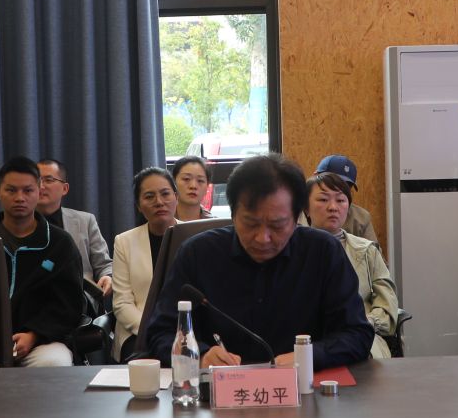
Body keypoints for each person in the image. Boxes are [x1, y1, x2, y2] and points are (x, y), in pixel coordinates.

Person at [143, 153, 373, 370]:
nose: (263, 238)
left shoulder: (323, 252)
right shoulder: (197, 254)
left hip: (305, 390)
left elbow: (357, 334)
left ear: (297, 217)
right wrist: (200, 355)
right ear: (233, 215)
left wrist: (309, 355)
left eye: (277, 225)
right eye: (250, 223)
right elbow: (160, 334)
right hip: (218, 391)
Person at [0, 156, 90, 367]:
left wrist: (34, 335)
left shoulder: (60, 244)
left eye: (28, 190)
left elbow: (69, 305)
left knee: (54, 362)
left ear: (39, 191)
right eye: (11, 190)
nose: (19, 198)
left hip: (41, 341)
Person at [306, 168, 398, 358]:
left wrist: (363, 324)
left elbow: (387, 307)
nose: (333, 207)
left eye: (341, 200)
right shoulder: (292, 249)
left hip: (361, 339)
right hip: (307, 341)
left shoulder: (367, 251)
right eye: (323, 200)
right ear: (305, 207)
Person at [109, 167, 177, 360]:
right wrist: (153, 330)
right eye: (149, 196)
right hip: (138, 331)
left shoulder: (194, 237)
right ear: (139, 206)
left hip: (185, 328)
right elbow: (122, 303)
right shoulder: (124, 242)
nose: (159, 202)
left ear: (176, 197)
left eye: (165, 194)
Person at [37, 157, 113, 293]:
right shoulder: (20, 223)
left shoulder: (85, 221)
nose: (41, 186)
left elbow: (103, 265)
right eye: (36, 180)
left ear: (65, 188)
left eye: (48, 180)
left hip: (80, 298)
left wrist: (107, 276)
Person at [311, 154, 380, 245]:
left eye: (347, 186)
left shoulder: (361, 217)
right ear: (315, 177)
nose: (340, 188)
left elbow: (373, 251)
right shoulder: (296, 213)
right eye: (333, 182)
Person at [168, 155, 212, 222]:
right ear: (174, 182)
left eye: (200, 180)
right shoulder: (163, 222)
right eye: (186, 179)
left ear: (207, 186)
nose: (193, 186)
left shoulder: (214, 225)